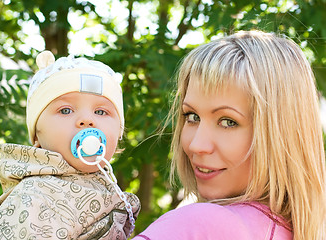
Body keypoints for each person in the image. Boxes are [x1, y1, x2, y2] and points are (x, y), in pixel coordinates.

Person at [133, 30, 326, 240]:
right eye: (192, 116)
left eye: (228, 122)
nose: (197, 145)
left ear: (280, 134)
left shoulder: (197, 226)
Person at [0, 51, 140, 239]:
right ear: (36, 134)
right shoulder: (33, 198)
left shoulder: (107, 187)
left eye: (101, 112)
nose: (87, 120)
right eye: (66, 110)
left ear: (119, 133)